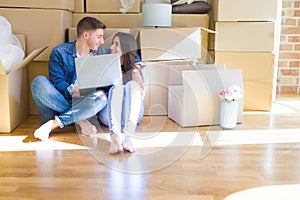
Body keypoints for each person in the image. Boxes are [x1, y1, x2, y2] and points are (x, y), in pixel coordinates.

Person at [31, 17, 108, 141]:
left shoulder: (100, 54)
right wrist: (73, 90)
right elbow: (57, 82)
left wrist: (137, 67)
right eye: (99, 36)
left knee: (101, 97)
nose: (102, 41)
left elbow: (128, 56)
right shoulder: (59, 52)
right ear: (86, 35)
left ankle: (55, 123)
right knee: (38, 82)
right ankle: (79, 119)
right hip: (56, 106)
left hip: (84, 106)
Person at [97, 32, 145, 154]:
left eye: (116, 44)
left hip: (132, 115)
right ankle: (115, 137)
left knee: (131, 85)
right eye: (113, 43)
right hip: (110, 116)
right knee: (116, 88)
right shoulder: (106, 66)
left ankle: (129, 138)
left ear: (126, 48)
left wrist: (135, 72)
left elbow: (140, 94)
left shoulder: (136, 67)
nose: (112, 47)